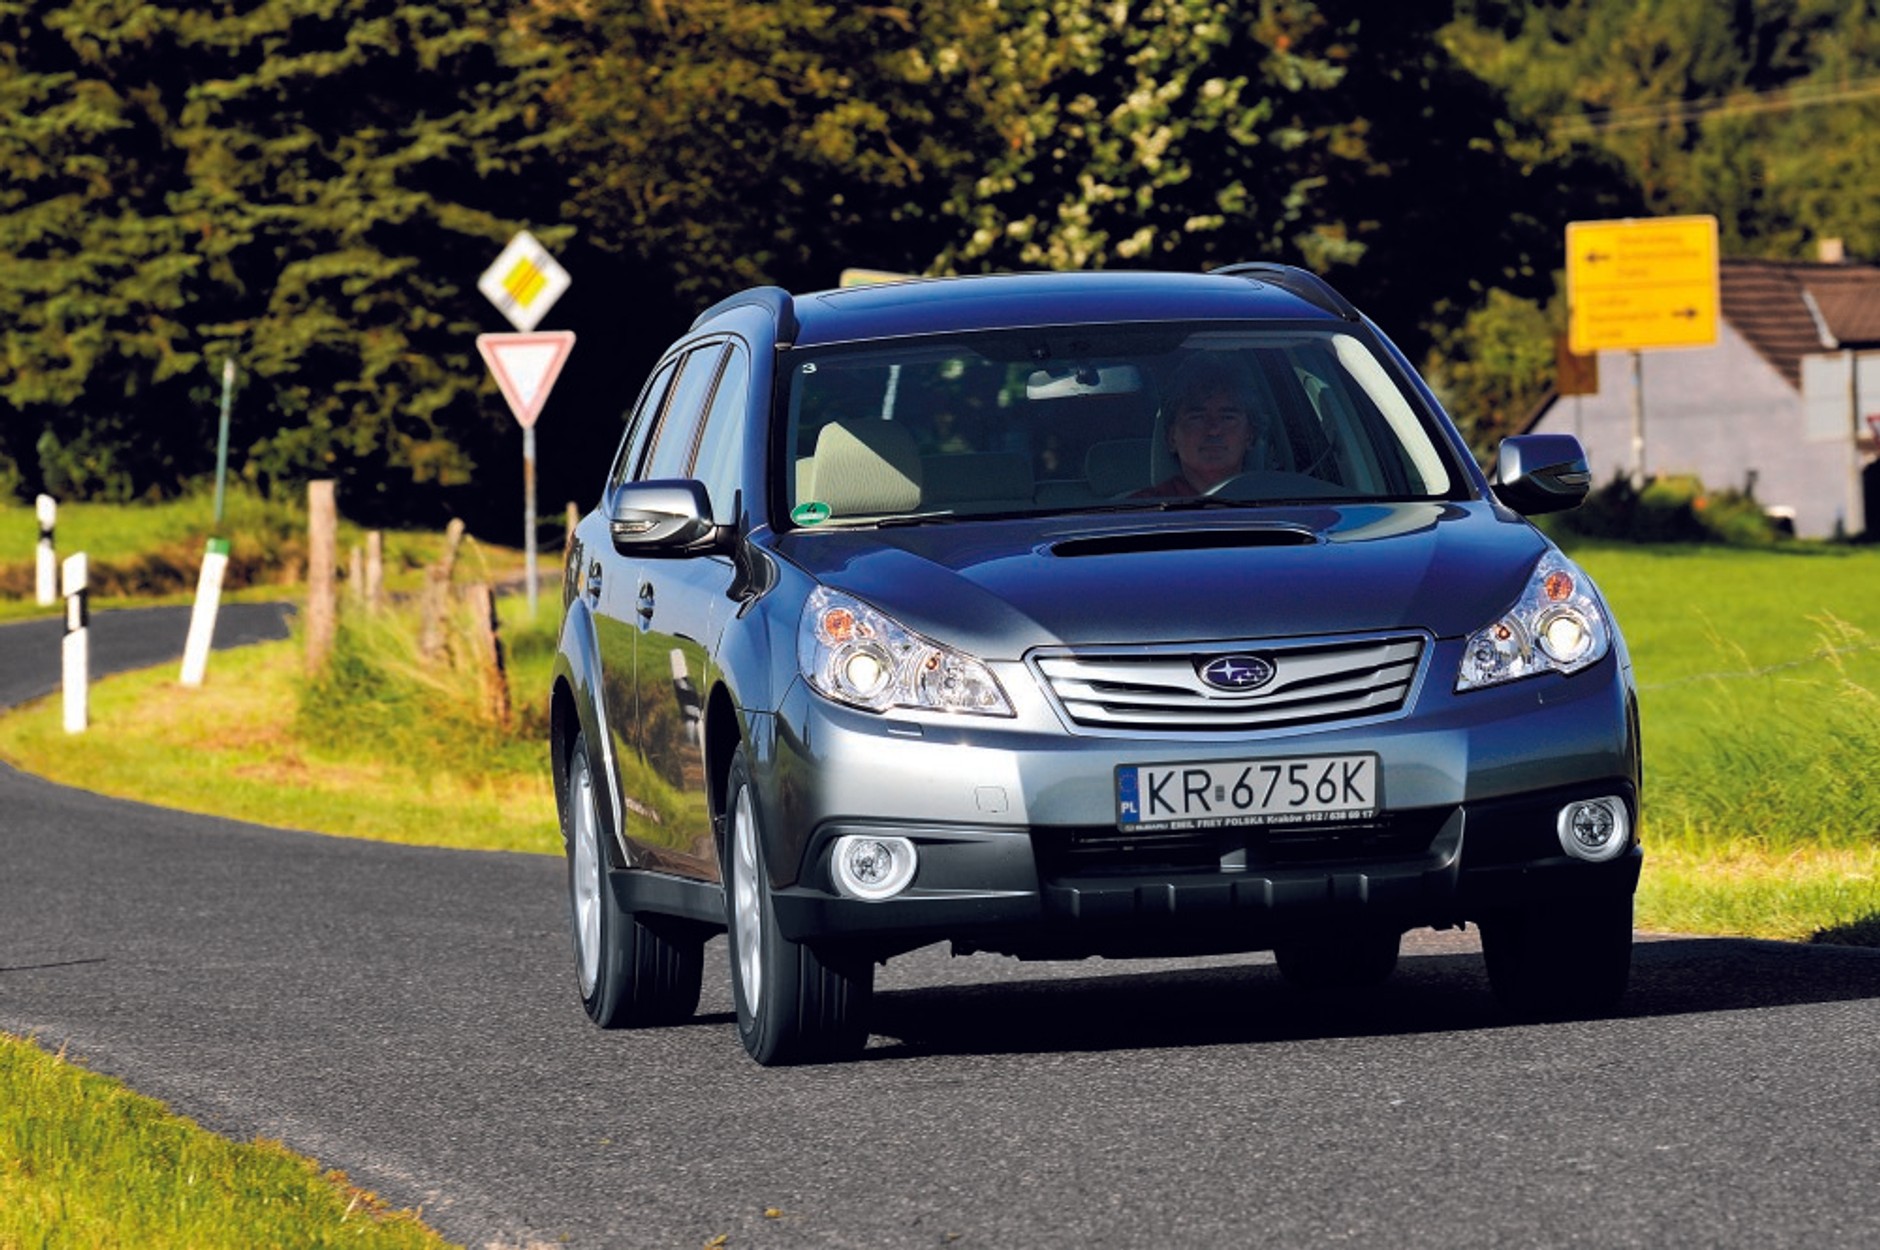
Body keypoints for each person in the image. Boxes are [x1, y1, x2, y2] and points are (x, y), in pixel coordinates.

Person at [1134, 354, 1263, 497]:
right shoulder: (1138, 512)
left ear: (1250, 435)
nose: (1213, 430)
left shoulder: (1280, 502)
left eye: (1227, 418)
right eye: (1197, 418)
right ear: (1171, 438)